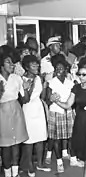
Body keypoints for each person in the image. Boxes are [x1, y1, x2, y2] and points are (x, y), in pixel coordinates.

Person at [52, 58, 86, 177]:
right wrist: (56, 101)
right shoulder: (76, 88)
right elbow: (67, 105)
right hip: (80, 121)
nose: (80, 77)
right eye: (79, 74)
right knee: (85, 148)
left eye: (83, 74)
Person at [0, 46, 30, 177]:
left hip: (16, 112)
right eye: (8, 62)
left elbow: (25, 99)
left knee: (16, 144)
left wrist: (27, 88)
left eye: (13, 62)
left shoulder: (17, 78)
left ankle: (16, 173)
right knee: (5, 145)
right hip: (2, 114)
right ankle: (7, 174)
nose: (12, 65)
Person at [21, 55, 50, 177]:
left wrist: (44, 86)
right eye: (33, 65)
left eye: (37, 64)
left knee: (40, 138)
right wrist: (29, 86)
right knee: (29, 140)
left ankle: (40, 163)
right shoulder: (21, 80)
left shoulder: (39, 78)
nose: (37, 67)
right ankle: (29, 166)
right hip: (28, 110)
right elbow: (25, 100)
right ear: (27, 67)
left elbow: (42, 97)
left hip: (38, 109)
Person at [45, 54, 74, 173]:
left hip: (68, 112)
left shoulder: (70, 82)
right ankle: (59, 162)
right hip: (56, 113)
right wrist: (50, 97)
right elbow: (47, 99)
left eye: (61, 69)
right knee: (56, 139)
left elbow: (73, 98)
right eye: (56, 69)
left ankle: (73, 158)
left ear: (66, 70)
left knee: (70, 137)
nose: (58, 71)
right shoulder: (51, 82)